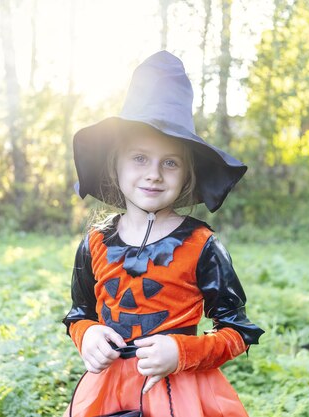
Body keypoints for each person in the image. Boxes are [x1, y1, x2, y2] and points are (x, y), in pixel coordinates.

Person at [62, 50, 264, 417]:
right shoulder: (95, 243)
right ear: (116, 165)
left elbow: (236, 331)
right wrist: (86, 334)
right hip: (107, 388)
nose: (154, 174)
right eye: (140, 158)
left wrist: (181, 352)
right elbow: (80, 313)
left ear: (187, 174)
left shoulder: (203, 245)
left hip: (182, 390)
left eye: (169, 163)